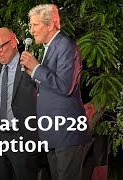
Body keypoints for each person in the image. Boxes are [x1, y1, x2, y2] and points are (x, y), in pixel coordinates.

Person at [20, 4, 92, 180]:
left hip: (66, 133)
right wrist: (33, 73)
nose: (32, 31)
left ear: (50, 25)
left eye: (35, 25)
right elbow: (50, 85)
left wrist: (37, 68)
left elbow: (65, 86)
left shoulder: (65, 46)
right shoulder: (50, 47)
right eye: (31, 25)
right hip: (53, 133)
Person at [0, 27, 43, 180]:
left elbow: (47, 92)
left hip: (22, 138)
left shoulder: (29, 66)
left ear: (13, 42)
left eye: (0, 47)